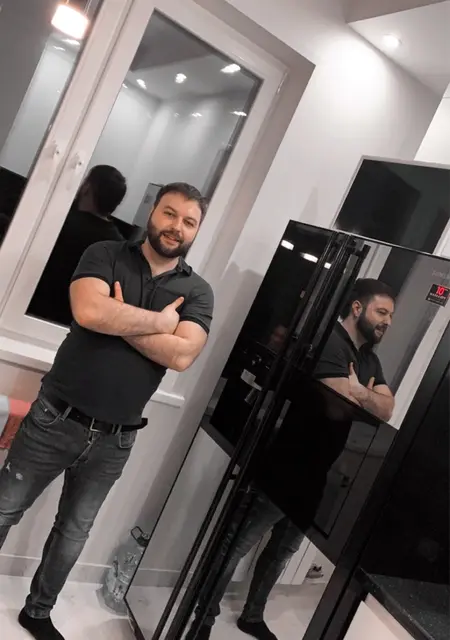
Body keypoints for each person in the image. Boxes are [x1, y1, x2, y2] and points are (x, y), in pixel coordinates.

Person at [0, 182, 213, 640]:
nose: (176, 227)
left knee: (73, 532)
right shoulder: (105, 253)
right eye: (169, 213)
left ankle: (38, 612)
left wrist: (119, 317)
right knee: (3, 508)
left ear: (197, 230)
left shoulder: (198, 292)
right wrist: (160, 323)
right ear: (153, 212)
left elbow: (182, 356)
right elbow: (88, 312)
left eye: (189, 221)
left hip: (116, 439)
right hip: (55, 417)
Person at [187, 278, 395, 640]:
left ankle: (252, 616)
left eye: (391, 316)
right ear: (357, 308)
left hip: (318, 472)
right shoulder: (331, 342)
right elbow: (336, 407)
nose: (387, 322)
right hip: (284, 464)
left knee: (282, 550)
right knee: (236, 543)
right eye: (381, 312)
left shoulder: (368, 359)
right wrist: (364, 395)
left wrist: (359, 393)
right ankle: (202, 619)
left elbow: (387, 409)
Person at [27, 165, 126, 326]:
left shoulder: (60, 223)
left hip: (28, 308)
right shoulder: (118, 246)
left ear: (87, 187)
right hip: (67, 325)